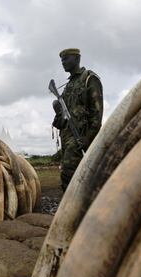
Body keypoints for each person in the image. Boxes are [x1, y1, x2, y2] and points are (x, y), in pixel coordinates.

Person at [52, 48, 103, 192]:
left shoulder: (89, 78)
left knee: (70, 174)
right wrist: (58, 113)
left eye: (66, 59)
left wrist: (88, 138)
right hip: (67, 138)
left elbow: (97, 114)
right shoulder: (68, 86)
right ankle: (71, 210)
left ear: (77, 59)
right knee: (71, 177)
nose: (63, 63)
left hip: (81, 138)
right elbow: (63, 117)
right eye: (62, 60)